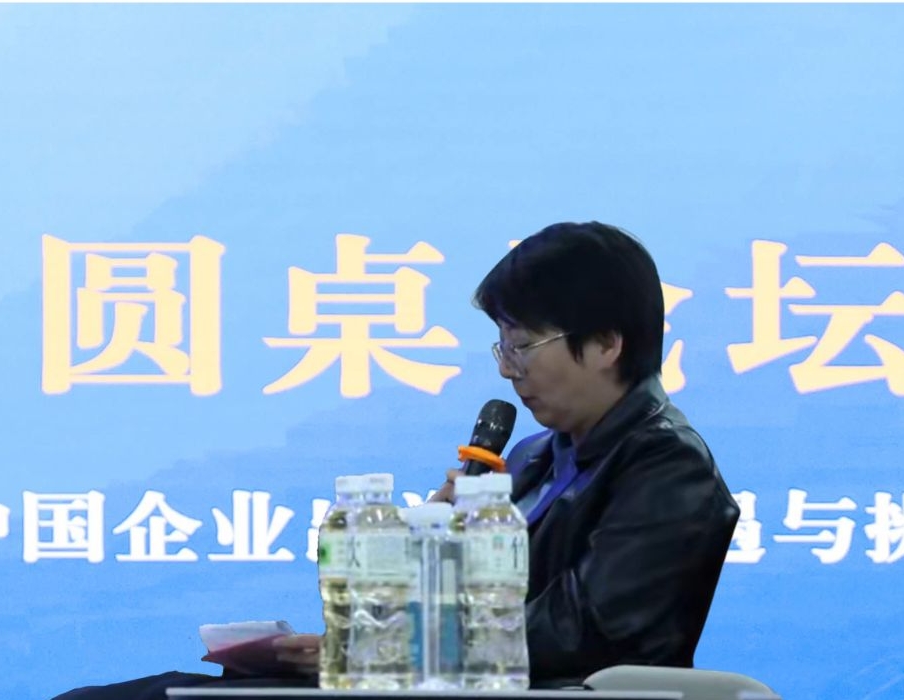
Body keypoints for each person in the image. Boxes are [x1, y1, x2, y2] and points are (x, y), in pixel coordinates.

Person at [52, 221, 740, 699]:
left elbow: (577, 633)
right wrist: (428, 548)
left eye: (522, 345)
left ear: (607, 343)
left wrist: (375, 652)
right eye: (501, 347)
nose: (508, 371)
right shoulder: (534, 458)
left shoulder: (666, 465)